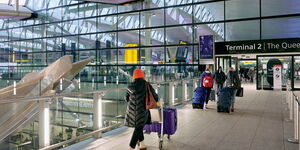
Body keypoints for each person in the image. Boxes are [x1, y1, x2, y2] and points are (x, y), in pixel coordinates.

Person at [125, 68, 159, 150]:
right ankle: (131, 147)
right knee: (138, 128)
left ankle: (142, 144)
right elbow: (155, 97)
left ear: (134, 76)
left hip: (132, 111)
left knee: (138, 127)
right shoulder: (146, 84)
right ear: (142, 75)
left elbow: (126, 98)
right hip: (143, 111)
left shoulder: (130, 86)